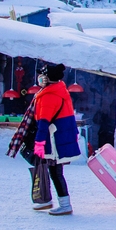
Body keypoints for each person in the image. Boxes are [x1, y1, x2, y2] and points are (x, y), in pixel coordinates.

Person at [33, 63, 81, 215]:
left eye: (42, 75)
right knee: (49, 169)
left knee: (55, 171)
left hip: (54, 140)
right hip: (60, 137)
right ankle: (45, 199)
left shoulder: (49, 96)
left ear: (48, 78)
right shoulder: (60, 90)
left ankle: (65, 204)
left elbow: (43, 122)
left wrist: (39, 143)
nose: (40, 78)